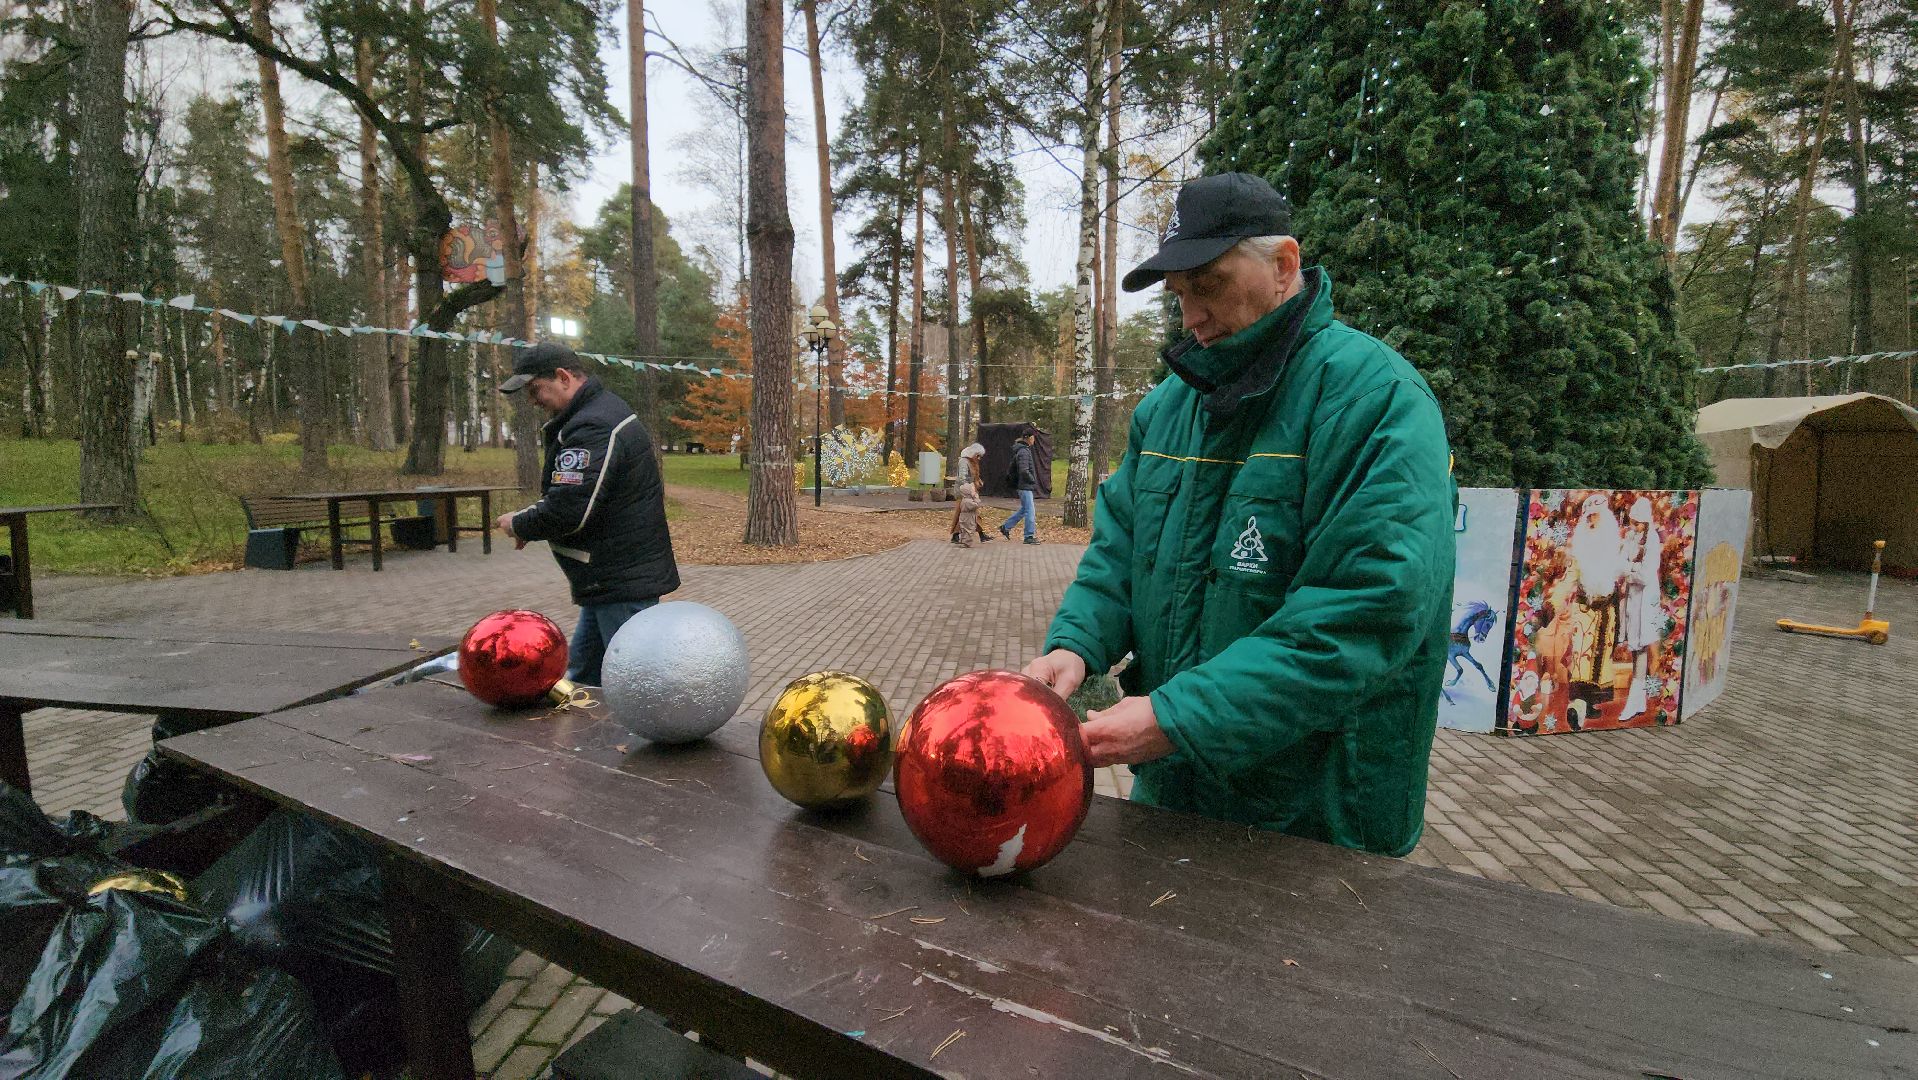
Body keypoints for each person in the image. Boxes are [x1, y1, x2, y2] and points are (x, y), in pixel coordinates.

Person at [1021, 172, 1456, 858]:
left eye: (1210, 285)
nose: (1191, 316)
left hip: (1322, 819)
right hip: (1178, 796)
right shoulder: (1168, 409)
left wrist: (1173, 717)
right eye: (1181, 295)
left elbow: (1366, 610)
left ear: (1284, 265)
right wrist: (1076, 644)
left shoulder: (1377, 401)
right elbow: (1119, 557)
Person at [494, 342, 679, 686]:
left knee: (639, 687)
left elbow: (570, 508)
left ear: (563, 377)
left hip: (620, 582)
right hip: (607, 580)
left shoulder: (592, 425)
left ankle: (646, 738)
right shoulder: (594, 415)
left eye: (536, 390)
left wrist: (519, 522)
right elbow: (578, 498)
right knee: (583, 680)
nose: (534, 401)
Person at [1615, 496, 1662, 721]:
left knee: (1641, 646)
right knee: (1634, 647)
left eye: (1637, 522)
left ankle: (1635, 699)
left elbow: (1645, 575)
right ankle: (1639, 699)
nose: (1633, 526)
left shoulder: (1652, 540)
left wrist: (1630, 570)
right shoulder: (1630, 538)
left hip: (1645, 600)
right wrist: (1632, 569)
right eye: (1632, 522)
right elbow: (1619, 563)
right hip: (1632, 598)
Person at [997, 426, 1041, 545]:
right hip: (1025, 486)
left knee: (1024, 510)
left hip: (1024, 485)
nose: (1034, 440)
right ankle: (1029, 536)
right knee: (1030, 511)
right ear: (1028, 438)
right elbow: (1024, 470)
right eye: (1033, 437)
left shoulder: (1023, 450)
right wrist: (1032, 480)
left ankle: (1006, 527)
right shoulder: (1023, 451)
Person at [950, 441, 994, 545]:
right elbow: (963, 478)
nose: (979, 458)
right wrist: (970, 490)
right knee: (965, 514)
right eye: (978, 456)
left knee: (970, 513)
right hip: (964, 492)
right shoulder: (964, 462)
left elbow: (973, 475)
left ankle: (979, 535)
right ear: (973, 453)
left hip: (970, 491)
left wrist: (978, 481)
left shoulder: (972, 462)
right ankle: (958, 535)